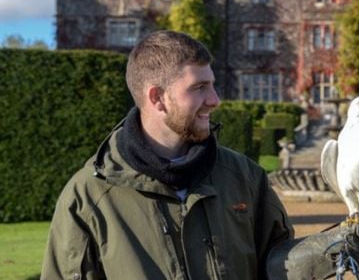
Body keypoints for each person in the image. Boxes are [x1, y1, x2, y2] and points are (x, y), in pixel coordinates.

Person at [41, 31, 293, 279]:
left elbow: (283, 268)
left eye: (212, 85)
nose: (215, 100)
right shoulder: (88, 196)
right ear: (157, 97)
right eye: (200, 87)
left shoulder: (246, 177)